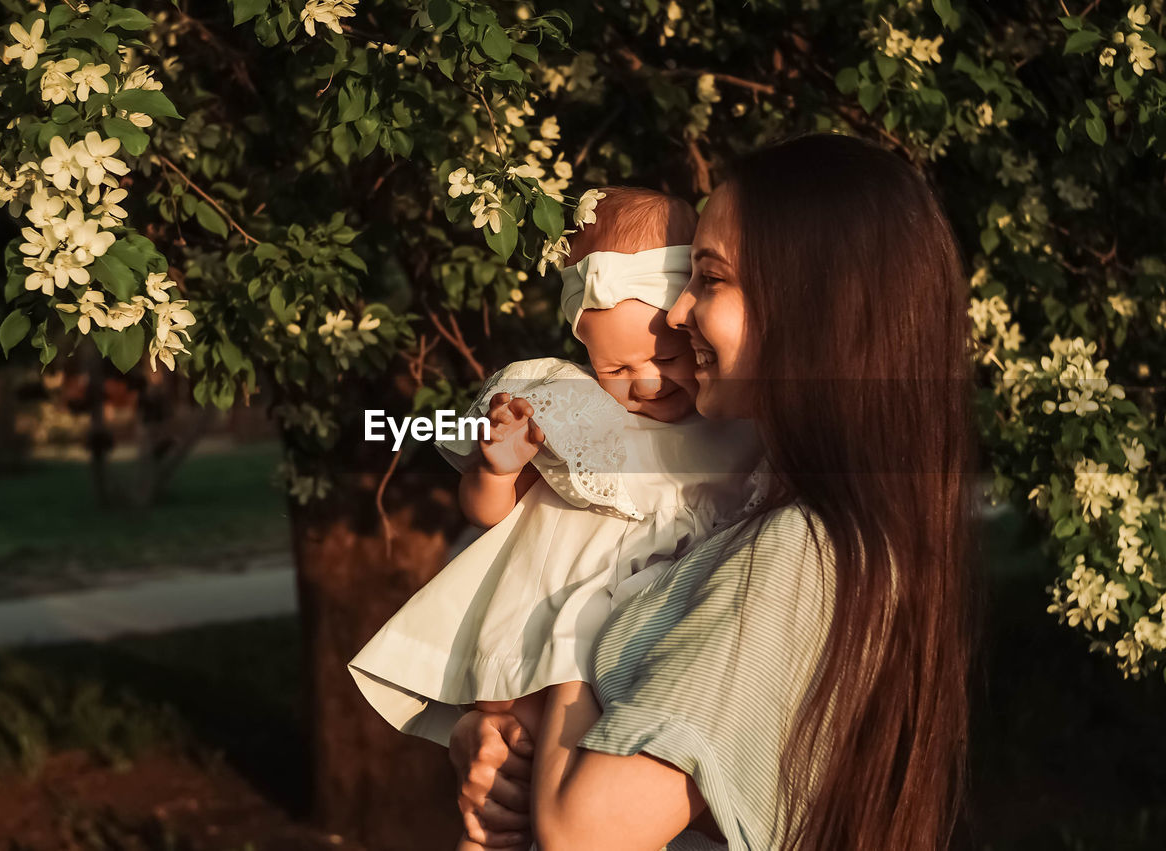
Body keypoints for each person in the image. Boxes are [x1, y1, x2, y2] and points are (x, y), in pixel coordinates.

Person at [448, 133, 977, 851]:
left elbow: (586, 831)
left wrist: (564, 648)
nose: (674, 312)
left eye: (710, 278)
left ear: (811, 306)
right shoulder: (772, 518)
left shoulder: (802, 552)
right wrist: (503, 735)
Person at [346, 188, 764, 851]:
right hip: (557, 622)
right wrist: (497, 470)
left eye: (667, 357)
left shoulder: (732, 434)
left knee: (583, 772)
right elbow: (490, 515)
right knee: (512, 736)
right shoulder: (566, 406)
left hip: (644, 642)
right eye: (617, 367)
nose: (647, 381)